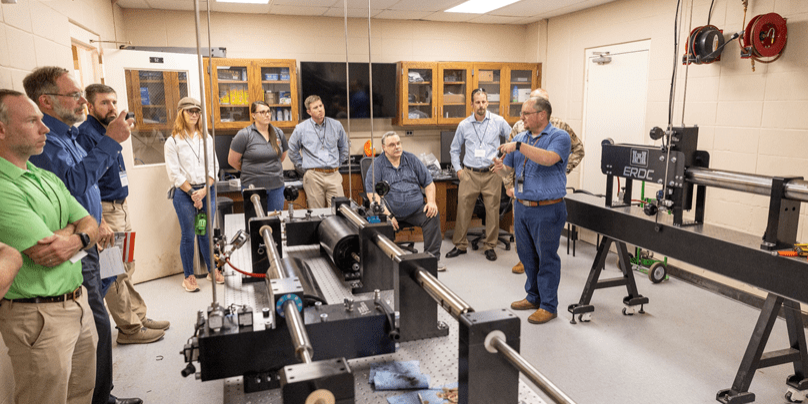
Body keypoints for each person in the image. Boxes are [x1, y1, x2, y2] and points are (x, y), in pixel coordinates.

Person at [24, 67, 143, 404]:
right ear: (46, 101)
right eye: (74, 95)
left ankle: (101, 394)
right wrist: (111, 142)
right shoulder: (48, 145)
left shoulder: (71, 136)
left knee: (99, 314)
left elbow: (80, 189)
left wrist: (95, 221)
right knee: (97, 323)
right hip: (75, 247)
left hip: (92, 232)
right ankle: (100, 398)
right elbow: (73, 184)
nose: (81, 101)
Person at [0, 89, 99, 404]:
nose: (45, 129)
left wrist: (73, 234)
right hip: (39, 316)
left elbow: (91, 224)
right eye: (33, 121)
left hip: (77, 303)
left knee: (81, 393)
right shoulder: (3, 187)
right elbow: (48, 254)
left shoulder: (45, 178)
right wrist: (78, 231)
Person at [78, 84, 170, 344]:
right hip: (105, 211)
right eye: (105, 102)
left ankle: (138, 316)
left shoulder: (113, 130)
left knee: (126, 266)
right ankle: (129, 329)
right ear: (90, 105)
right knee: (113, 270)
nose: (111, 107)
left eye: (114, 102)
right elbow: (86, 182)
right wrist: (100, 220)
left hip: (121, 208)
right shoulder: (86, 134)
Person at [494, 96, 570, 325]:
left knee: (546, 258)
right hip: (522, 207)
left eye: (526, 113)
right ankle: (533, 296)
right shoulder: (520, 137)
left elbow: (548, 159)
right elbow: (511, 170)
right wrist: (501, 170)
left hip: (548, 209)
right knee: (527, 256)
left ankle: (548, 306)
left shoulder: (559, 137)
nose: (522, 117)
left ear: (542, 115)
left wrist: (518, 146)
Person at [505, 88, 584, 274]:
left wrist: (560, 170)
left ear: (544, 111)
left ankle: (546, 299)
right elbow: (509, 159)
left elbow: (578, 149)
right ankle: (524, 261)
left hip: (547, 197)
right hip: (524, 192)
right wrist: (509, 183)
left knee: (545, 251)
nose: (525, 114)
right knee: (524, 240)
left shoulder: (560, 129)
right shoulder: (519, 127)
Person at [445, 88, 511, 262]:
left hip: (491, 173)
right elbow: (454, 149)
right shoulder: (464, 125)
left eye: (483, 102)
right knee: (463, 211)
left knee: (492, 211)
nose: (481, 105)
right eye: (477, 102)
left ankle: (490, 246)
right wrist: (459, 170)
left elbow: (513, 139)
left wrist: (504, 161)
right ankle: (460, 245)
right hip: (470, 173)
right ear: (472, 104)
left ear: (487, 103)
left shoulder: (498, 121)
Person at [364, 131, 446, 271]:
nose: (397, 147)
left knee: (432, 214)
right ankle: (383, 263)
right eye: (392, 145)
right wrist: (388, 215)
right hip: (389, 211)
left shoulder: (411, 159)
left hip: (415, 210)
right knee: (374, 219)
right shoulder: (377, 165)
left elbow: (429, 183)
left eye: (398, 143)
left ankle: (432, 260)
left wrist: (431, 202)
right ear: (384, 148)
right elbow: (373, 194)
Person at [164, 97, 221, 293]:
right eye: (190, 111)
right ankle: (188, 276)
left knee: (204, 232)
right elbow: (174, 173)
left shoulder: (206, 138)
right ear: (181, 113)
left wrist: (204, 191)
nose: (194, 114)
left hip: (206, 191)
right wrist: (193, 194)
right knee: (189, 235)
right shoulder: (172, 141)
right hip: (184, 195)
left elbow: (214, 166)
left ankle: (211, 271)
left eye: (197, 111)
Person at [288, 95, 349, 208]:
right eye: (315, 108)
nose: (320, 109)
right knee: (317, 213)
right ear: (309, 111)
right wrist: (304, 168)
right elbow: (292, 150)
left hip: (333, 175)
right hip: (313, 176)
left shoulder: (336, 125)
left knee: (339, 211)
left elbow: (344, 147)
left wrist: (337, 164)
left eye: (321, 106)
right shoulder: (301, 129)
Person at [228, 101, 289, 212]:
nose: (267, 115)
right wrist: (251, 170)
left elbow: (281, 157)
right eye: (262, 112)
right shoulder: (244, 134)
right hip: (253, 189)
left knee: (275, 222)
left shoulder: (278, 133)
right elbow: (232, 161)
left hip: (277, 187)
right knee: (257, 224)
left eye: (268, 112)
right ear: (253, 115)